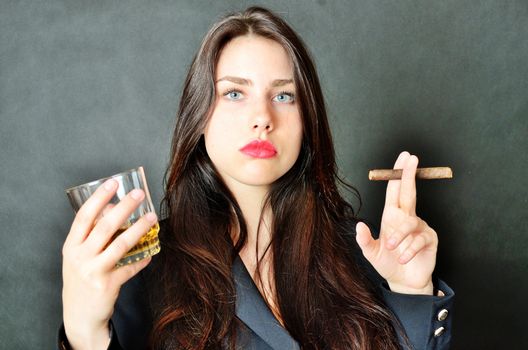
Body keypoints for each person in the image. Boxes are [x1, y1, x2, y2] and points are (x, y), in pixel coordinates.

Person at [59, 6, 454, 350]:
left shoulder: (366, 254)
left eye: (284, 96)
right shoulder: (138, 268)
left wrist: (411, 290)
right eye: (234, 93)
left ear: (307, 121)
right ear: (199, 116)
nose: (263, 117)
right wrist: (85, 331)